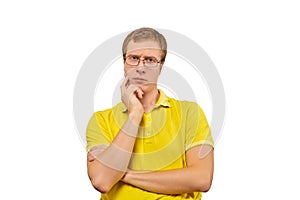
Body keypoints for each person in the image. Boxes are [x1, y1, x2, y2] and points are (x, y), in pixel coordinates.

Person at [86, 27, 214, 200]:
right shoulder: (101, 120)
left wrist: (122, 173)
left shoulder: (190, 113)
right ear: (124, 64)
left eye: (150, 60)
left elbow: (202, 179)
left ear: (160, 67)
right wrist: (135, 114)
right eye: (133, 58)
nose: (140, 67)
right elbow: (102, 180)